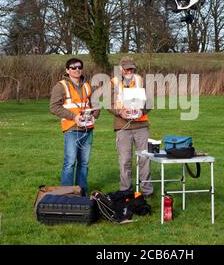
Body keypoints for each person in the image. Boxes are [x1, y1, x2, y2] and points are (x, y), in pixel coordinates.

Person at [50, 58, 100, 195]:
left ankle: (81, 192)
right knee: (70, 163)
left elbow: (96, 106)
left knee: (84, 164)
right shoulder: (61, 86)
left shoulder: (88, 86)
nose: (77, 69)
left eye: (79, 67)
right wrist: (74, 117)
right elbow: (53, 107)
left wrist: (94, 116)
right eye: (73, 67)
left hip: (88, 129)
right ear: (67, 70)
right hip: (72, 129)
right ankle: (66, 193)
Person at [108, 56, 153, 198]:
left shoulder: (141, 81)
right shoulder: (113, 83)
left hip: (141, 125)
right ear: (121, 69)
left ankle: (147, 191)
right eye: (126, 69)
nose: (129, 71)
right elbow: (108, 104)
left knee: (145, 159)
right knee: (125, 160)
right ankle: (125, 190)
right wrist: (120, 112)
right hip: (123, 127)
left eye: (132, 69)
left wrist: (142, 110)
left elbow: (150, 103)